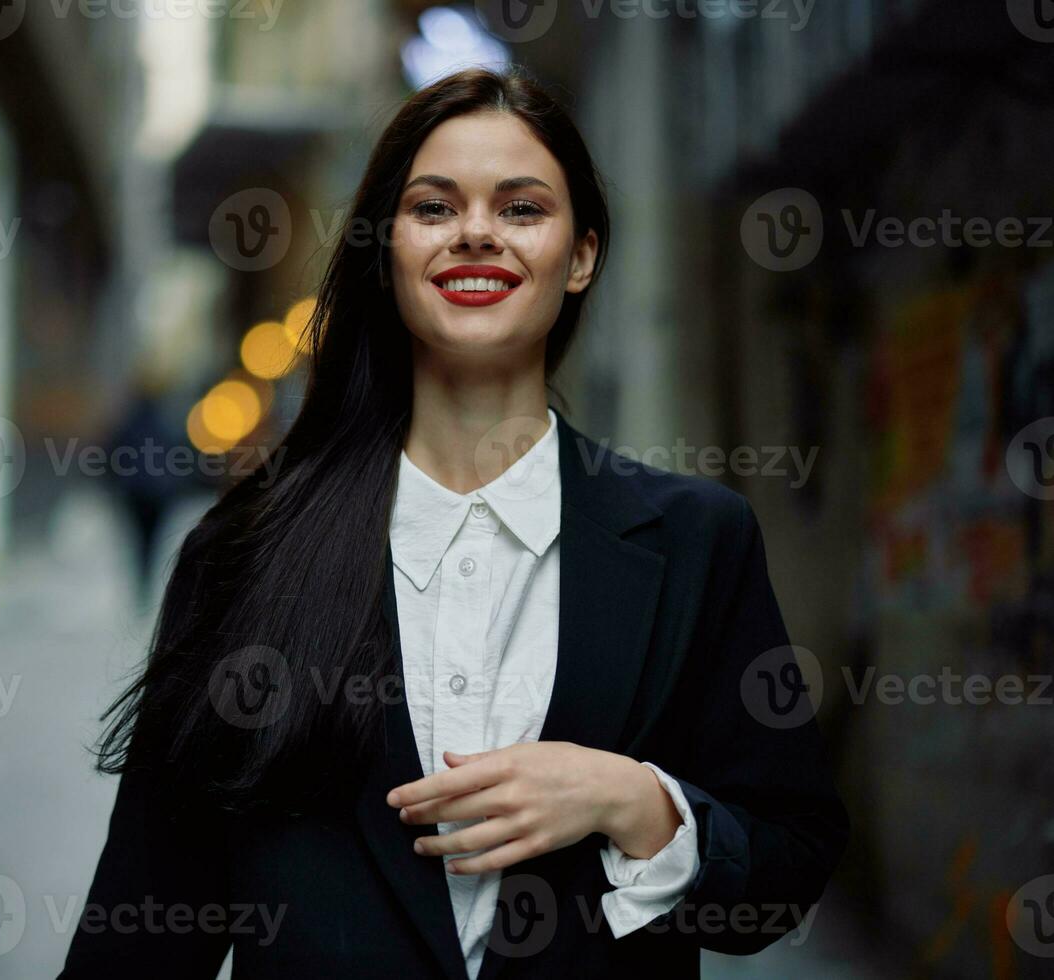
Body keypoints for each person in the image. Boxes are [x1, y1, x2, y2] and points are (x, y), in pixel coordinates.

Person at [60, 66, 848, 979]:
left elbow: (786, 872)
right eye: (434, 208)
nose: (476, 232)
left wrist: (635, 801)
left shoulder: (698, 544)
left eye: (521, 209)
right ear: (385, 248)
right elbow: (140, 930)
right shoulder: (242, 553)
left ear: (583, 254)